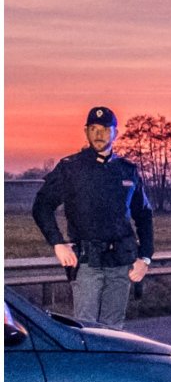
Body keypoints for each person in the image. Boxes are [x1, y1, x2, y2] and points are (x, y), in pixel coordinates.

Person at [32, 106, 154, 329]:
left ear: (115, 133)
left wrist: (145, 257)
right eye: (94, 129)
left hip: (121, 262)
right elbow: (41, 206)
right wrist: (57, 243)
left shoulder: (127, 170)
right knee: (86, 331)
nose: (99, 134)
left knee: (114, 332)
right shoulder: (71, 168)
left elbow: (144, 214)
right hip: (88, 262)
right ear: (86, 132)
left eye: (106, 129)